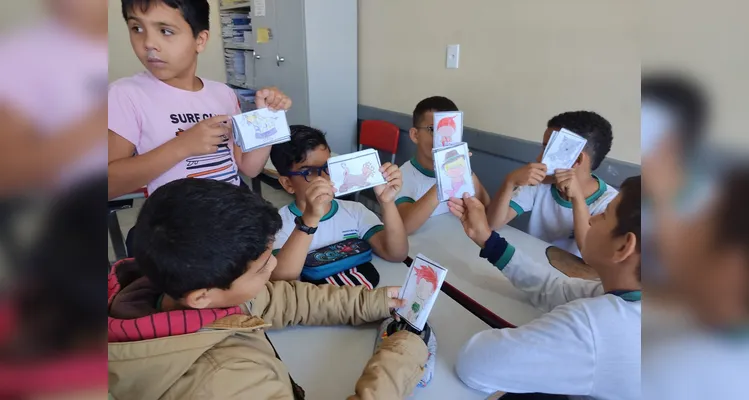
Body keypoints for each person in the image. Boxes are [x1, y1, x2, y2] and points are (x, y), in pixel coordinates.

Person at [107, 178, 429, 399]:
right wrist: (403, 353)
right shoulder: (222, 382)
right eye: (263, 266)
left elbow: (281, 299)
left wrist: (373, 302)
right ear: (202, 297)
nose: (274, 267)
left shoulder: (176, 289)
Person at [450, 176, 642, 399]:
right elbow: (555, 289)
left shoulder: (597, 327)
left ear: (623, 247)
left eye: (605, 215)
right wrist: (488, 240)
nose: (592, 220)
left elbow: (473, 363)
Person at [107, 0, 291, 200]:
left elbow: (249, 168)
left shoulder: (223, 93)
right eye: (137, 28)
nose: (149, 43)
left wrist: (267, 116)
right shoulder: (125, 94)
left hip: (228, 214)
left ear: (200, 40)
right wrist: (183, 145)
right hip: (177, 224)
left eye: (166, 31)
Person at [269, 125, 408, 281]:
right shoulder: (277, 225)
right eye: (309, 172)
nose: (324, 177)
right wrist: (310, 219)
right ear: (288, 184)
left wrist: (387, 202)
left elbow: (397, 254)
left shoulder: (355, 211)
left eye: (327, 167)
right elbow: (282, 279)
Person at [486, 111, 618, 257]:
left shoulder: (610, 203)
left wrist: (577, 198)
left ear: (577, 160)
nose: (538, 157)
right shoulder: (541, 183)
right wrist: (509, 182)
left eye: (547, 149)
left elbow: (588, 254)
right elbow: (493, 224)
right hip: (533, 268)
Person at [396, 96, 490, 234]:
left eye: (451, 131)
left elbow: (486, 210)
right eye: (434, 130)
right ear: (415, 135)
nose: (443, 140)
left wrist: (466, 172)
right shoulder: (402, 176)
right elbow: (404, 227)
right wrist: (445, 177)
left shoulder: (461, 171)